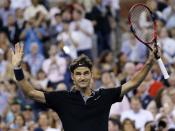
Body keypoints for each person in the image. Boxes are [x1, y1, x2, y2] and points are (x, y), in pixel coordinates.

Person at [11, 42, 160, 131]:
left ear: (91, 75)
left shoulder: (104, 96)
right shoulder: (62, 98)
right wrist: (17, 69)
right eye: (78, 74)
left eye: (85, 73)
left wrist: (149, 62)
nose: (82, 77)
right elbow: (30, 92)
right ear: (73, 77)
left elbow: (134, 82)